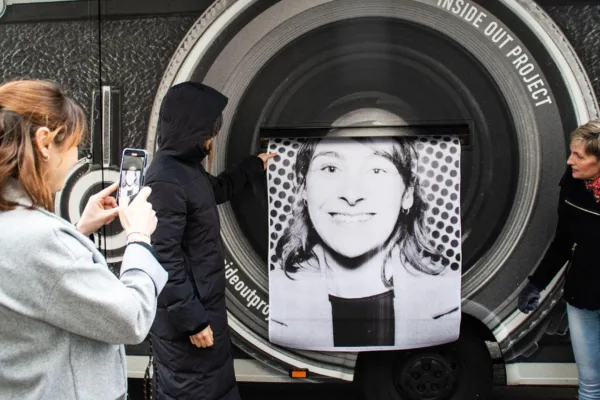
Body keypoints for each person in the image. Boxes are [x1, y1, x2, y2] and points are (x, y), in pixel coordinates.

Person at [0, 79, 167, 400]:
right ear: (45, 142)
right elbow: (130, 319)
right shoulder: (43, 239)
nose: (77, 158)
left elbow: (35, 283)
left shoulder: (18, 229)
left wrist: (79, 231)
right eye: (74, 144)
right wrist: (138, 237)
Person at [145, 81, 275, 400]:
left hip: (203, 315)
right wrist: (192, 322)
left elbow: (217, 190)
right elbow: (164, 259)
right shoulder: (165, 179)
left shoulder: (185, 170)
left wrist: (254, 165)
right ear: (191, 127)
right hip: (187, 327)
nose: (211, 138)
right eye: (208, 129)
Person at [270, 136, 461, 349]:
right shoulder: (270, 296)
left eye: (376, 170)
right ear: (303, 186)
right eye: (331, 169)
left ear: (407, 192)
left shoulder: (452, 297)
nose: (352, 195)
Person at [519, 120, 600, 400]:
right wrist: (536, 284)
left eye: (579, 155)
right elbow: (563, 241)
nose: (570, 160)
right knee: (590, 387)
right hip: (583, 298)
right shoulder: (573, 184)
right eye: (571, 153)